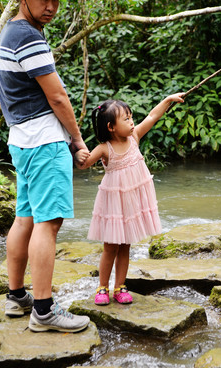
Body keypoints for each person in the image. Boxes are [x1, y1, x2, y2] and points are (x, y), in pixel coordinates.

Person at [0, 0, 91, 333]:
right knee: (48, 225)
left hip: (21, 139)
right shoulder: (30, 38)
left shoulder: (11, 32)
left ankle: (17, 295)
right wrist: (77, 141)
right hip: (44, 140)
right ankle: (45, 311)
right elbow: (57, 97)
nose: (50, 5)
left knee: (26, 218)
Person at [75, 93, 185, 305]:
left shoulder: (134, 138)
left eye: (131, 117)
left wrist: (167, 100)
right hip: (114, 204)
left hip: (132, 202)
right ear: (111, 127)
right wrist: (78, 155)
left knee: (125, 245)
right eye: (126, 119)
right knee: (110, 247)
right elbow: (84, 164)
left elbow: (152, 117)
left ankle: (120, 286)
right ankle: (102, 288)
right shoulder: (104, 149)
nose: (132, 122)